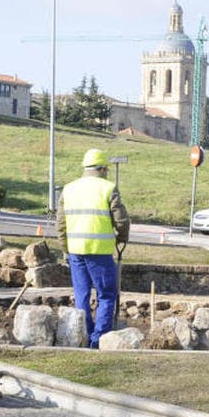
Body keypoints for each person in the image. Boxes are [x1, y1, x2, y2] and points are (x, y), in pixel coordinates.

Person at [56, 148, 131, 348]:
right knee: (106, 294)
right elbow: (121, 219)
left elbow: (61, 224)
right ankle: (99, 339)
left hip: (76, 252)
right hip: (99, 252)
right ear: (102, 169)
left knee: (82, 295)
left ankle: (85, 334)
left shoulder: (69, 189)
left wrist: (66, 249)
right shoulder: (107, 188)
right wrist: (122, 237)